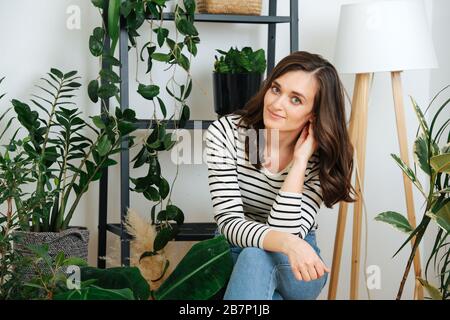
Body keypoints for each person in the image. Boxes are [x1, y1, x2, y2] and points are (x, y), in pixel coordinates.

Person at [205, 51, 355, 300]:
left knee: (254, 257)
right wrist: (289, 243)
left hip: (297, 266)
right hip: (232, 249)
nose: (276, 104)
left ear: (314, 115)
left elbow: (287, 232)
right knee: (255, 268)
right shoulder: (226, 133)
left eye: (295, 100)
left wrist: (299, 162)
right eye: (276, 89)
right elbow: (229, 223)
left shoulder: (322, 158)